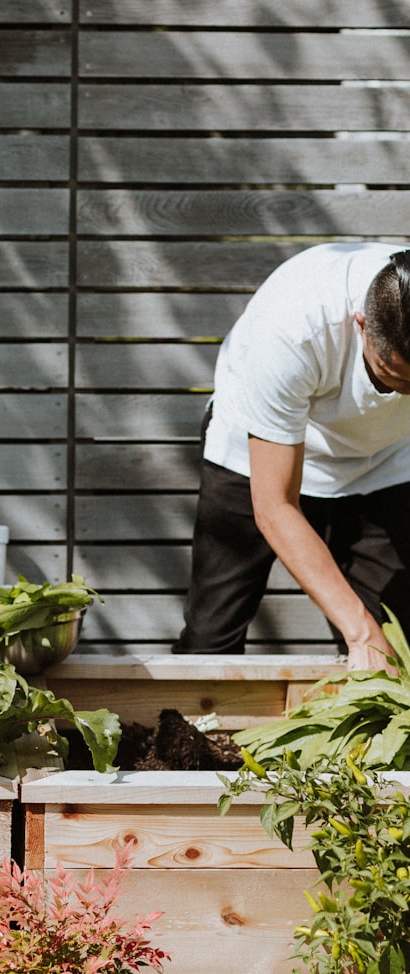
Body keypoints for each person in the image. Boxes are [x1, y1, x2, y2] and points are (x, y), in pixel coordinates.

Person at [174, 242, 410, 670]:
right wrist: (360, 632)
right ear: (361, 325)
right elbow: (275, 506)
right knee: (211, 641)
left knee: (401, 643)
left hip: (384, 461)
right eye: (398, 380)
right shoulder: (293, 326)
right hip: (254, 455)